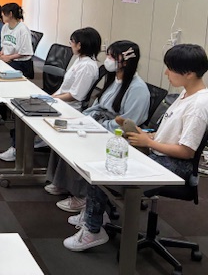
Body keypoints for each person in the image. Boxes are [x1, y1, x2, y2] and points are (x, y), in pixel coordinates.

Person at [64, 44, 208, 252]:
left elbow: (186, 151)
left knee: (103, 173)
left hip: (175, 165)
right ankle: (95, 215)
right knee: (100, 161)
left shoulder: (199, 105)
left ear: (189, 73)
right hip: (160, 153)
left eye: (170, 68)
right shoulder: (186, 94)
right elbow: (171, 134)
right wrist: (146, 135)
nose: (166, 73)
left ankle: (93, 229)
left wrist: (148, 143)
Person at [51, 40, 150, 213]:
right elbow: (98, 105)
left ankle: (82, 196)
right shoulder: (114, 79)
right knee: (64, 134)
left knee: (81, 144)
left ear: (126, 61)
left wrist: (99, 125)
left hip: (117, 134)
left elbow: (127, 123)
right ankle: (62, 184)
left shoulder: (138, 89)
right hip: (99, 123)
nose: (108, 60)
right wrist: (84, 118)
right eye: (108, 55)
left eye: (112, 56)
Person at [0, 27, 102, 162]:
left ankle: (17, 149)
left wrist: (50, 98)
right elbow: (64, 89)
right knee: (23, 106)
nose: (70, 44)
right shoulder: (80, 60)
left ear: (80, 45)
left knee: (27, 112)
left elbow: (75, 96)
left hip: (69, 107)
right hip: (60, 101)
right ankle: (23, 143)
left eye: (72, 41)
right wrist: (50, 97)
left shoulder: (87, 66)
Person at [0, 2, 34, 78]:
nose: (2, 15)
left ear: (10, 14)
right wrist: (1, 53)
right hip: (9, 59)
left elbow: (25, 52)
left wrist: (9, 57)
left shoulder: (23, 29)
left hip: (21, 63)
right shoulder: (5, 27)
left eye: (3, 14)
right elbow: (4, 45)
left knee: (0, 71)